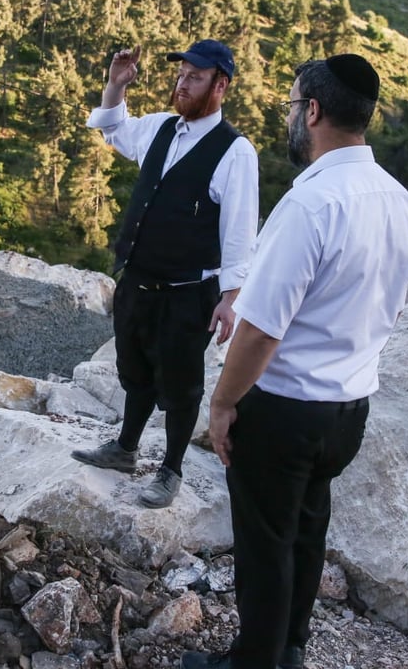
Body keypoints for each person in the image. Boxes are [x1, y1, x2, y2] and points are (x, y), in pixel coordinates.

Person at [181, 55, 408, 669]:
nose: (291, 117)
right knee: (307, 532)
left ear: (312, 112)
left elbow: (261, 329)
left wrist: (224, 402)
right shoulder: (400, 201)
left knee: (264, 545)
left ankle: (253, 662)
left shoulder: (310, 204)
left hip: (285, 408)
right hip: (349, 408)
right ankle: (290, 648)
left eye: (292, 106)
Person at [70, 40, 259, 508]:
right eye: (181, 74)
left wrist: (231, 298)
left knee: (179, 384)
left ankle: (171, 469)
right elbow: (112, 128)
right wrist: (116, 84)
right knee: (133, 369)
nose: (183, 83)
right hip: (137, 279)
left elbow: (239, 232)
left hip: (188, 290)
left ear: (221, 85)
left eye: (195, 77)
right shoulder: (159, 128)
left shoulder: (235, 152)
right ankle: (125, 449)